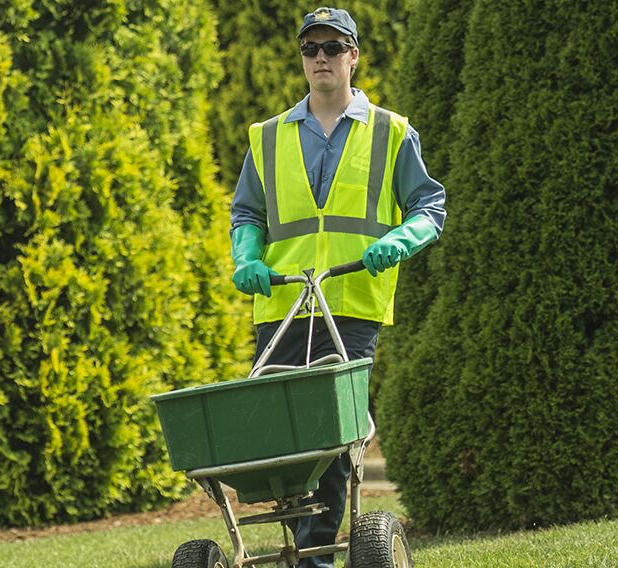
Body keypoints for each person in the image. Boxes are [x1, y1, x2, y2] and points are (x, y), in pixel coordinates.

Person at [227, 6, 446, 567]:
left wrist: (400, 240)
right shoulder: (268, 136)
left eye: (332, 47)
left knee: (329, 437)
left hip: (349, 303)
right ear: (302, 58)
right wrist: (246, 257)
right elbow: (247, 214)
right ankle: (302, 549)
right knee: (283, 445)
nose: (320, 57)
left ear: (354, 56)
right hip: (281, 302)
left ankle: (316, 558)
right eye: (310, 49)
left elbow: (429, 207)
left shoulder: (391, 132)